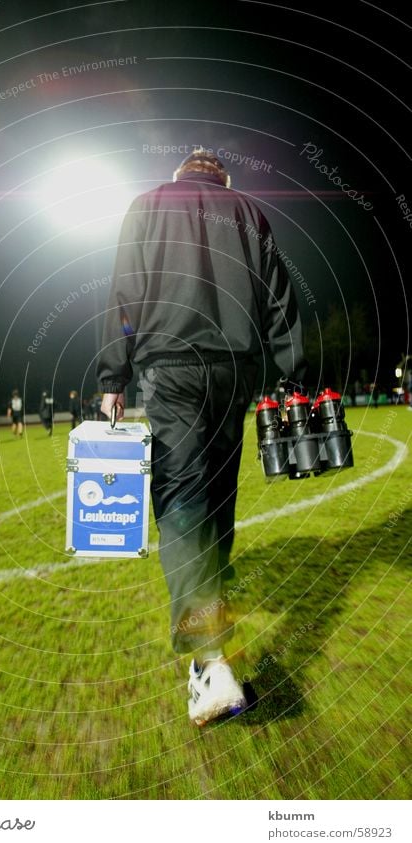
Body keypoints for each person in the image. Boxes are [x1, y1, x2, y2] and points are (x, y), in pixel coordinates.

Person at [97, 147, 306, 726]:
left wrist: (112, 374)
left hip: (173, 367)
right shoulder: (248, 211)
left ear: (179, 175)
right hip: (234, 368)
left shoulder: (147, 204)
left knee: (184, 500)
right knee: (217, 496)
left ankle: (209, 663)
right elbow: (279, 296)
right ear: (223, 178)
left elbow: (125, 293)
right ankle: (212, 605)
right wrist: (295, 371)